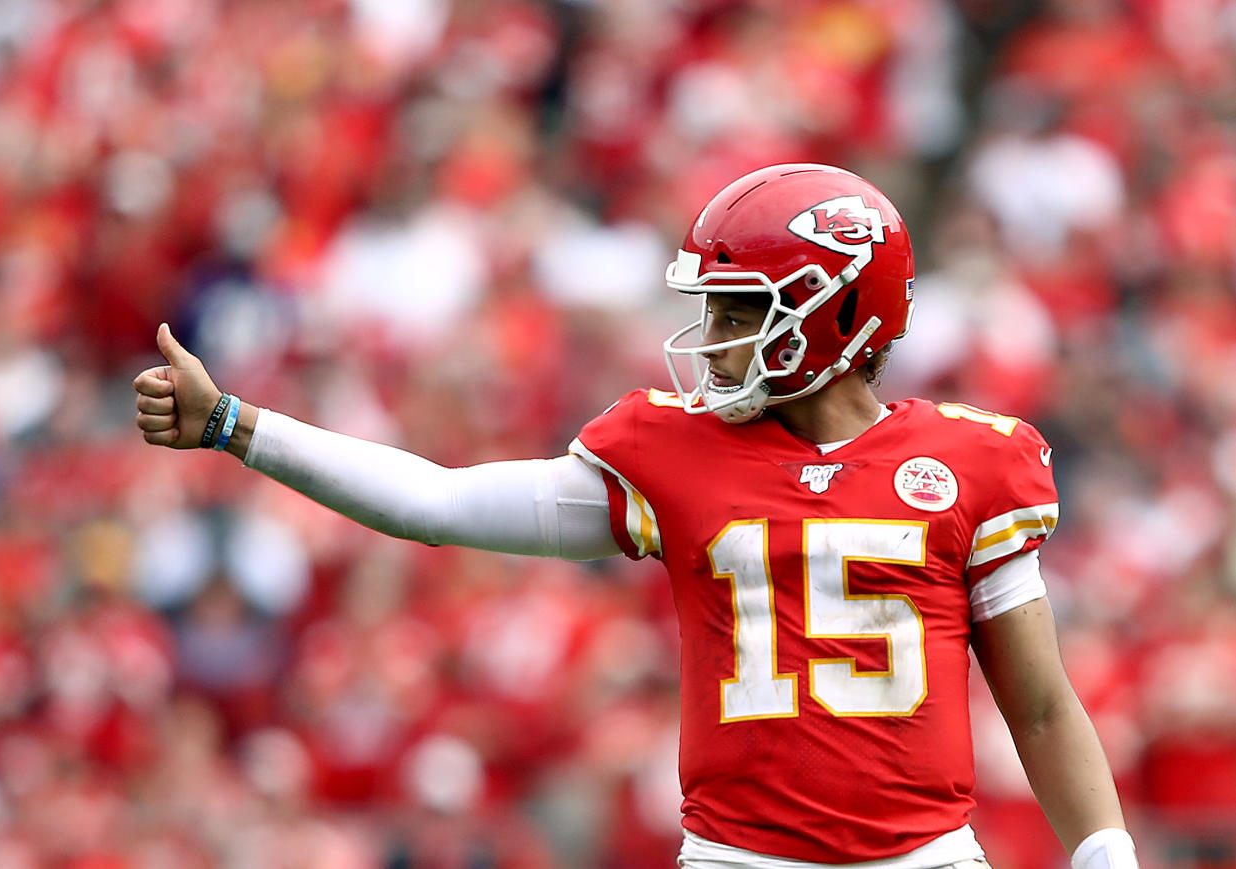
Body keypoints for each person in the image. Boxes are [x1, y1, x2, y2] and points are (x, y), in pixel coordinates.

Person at [134, 164, 1138, 869]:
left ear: (840, 312)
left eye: (740, 310)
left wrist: (1105, 856)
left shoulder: (970, 459)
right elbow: (431, 502)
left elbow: (1041, 704)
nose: (712, 337)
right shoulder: (672, 450)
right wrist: (233, 422)